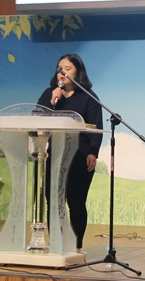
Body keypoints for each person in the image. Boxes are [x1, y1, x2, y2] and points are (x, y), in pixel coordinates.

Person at [36, 53, 104, 253]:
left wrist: (93, 152)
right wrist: (52, 101)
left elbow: (96, 127)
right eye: (60, 68)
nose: (62, 72)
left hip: (80, 157)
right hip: (54, 156)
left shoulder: (88, 97)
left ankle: (76, 245)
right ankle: (56, 242)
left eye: (68, 68)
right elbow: (37, 117)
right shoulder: (49, 93)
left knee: (76, 202)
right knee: (53, 201)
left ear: (78, 72)